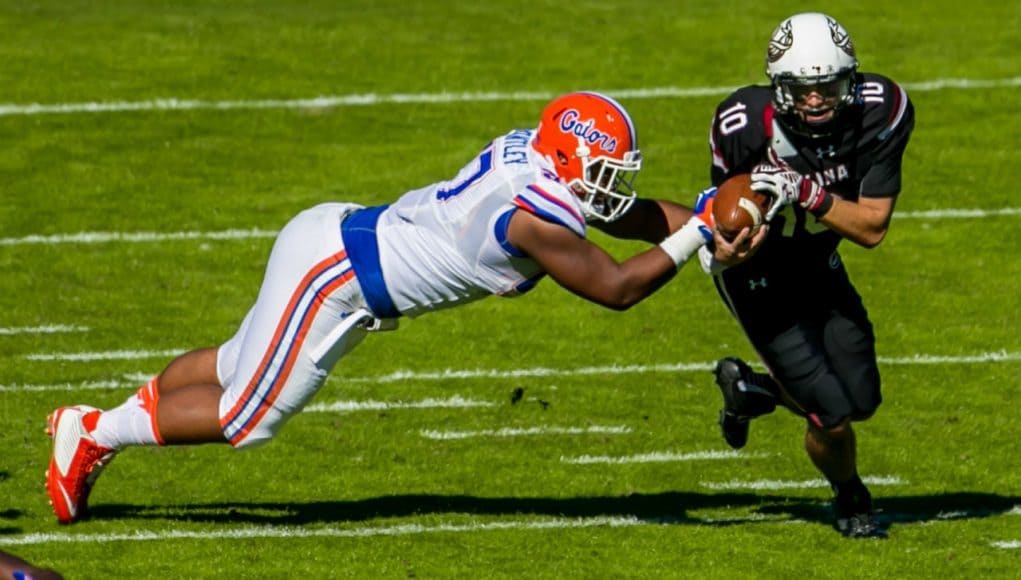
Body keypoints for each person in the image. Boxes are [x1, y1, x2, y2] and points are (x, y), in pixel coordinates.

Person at [45, 91, 720, 524]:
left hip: (335, 242)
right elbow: (616, 288)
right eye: (602, 171)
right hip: (336, 277)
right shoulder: (531, 218)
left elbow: (621, 213)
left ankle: (110, 423)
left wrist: (702, 215)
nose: (612, 187)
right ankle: (96, 432)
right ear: (567, 159)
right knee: (248, 416)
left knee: (232, 365)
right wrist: (696, 233)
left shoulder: (535, 156)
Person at [699, 12, 914, 538]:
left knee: (862, 399)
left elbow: (871, 228)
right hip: (758, 270)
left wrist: (806, 192)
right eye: (801, 89)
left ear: (852, 79)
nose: (815, 99)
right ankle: (850, 497)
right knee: (832, 412)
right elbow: (724, 216)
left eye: (828, 86)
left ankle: (754, 391)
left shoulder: (881, 110)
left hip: (819, 260)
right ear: (778, 85)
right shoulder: (743, 122)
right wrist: (730, 242)